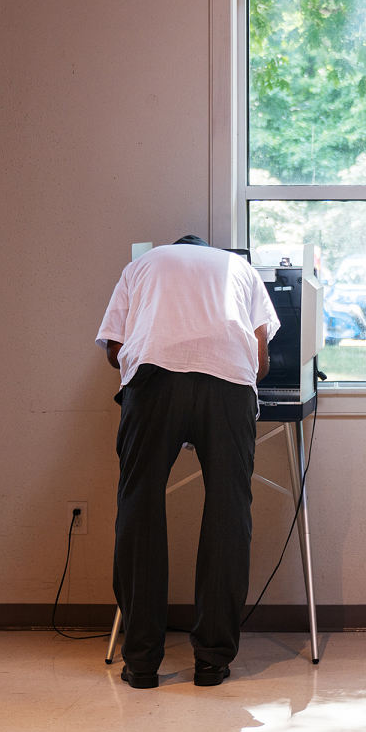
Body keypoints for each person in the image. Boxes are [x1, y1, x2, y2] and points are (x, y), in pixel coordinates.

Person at [95, 235, 280, 690]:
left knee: (139, 508)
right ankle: (212, 661)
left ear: (173, 247)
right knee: (228, 512)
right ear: (209, 249)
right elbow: (260, 359)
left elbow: (114, 350)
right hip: (229, 383)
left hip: (154, 379)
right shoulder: (241, 269)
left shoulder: (143, 265)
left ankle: (141, 662)